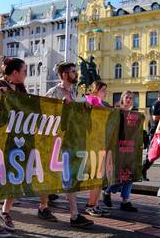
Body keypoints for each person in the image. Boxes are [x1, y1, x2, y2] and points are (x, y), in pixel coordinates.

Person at [0, 57, 39, 237]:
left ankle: (5, 211)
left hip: (19, 140)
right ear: (15, 72)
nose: (26, 74)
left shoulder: (21, 90)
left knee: (16, 178)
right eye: (25, 70)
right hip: (0, 140)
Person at [45, 62, 94, 228]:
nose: (76, 74)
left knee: (68, 176)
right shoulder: (54, 92)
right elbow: (45, 114)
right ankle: (43, 206)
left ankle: (74, 214)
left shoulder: (75, 92)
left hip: (71, 140)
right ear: (65, 75)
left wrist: (85, 106)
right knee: (49, 175)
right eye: (73, 72)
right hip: (56, 141)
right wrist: (61, 107)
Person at [102, 91, 138, 212]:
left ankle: (125, 201)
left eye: (131, 98)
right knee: (119, 175)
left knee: (129, 175)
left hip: (130, 147)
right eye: (127, 97)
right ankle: (107, 191)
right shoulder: (117, 111)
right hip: (118, 147)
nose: (129, 99)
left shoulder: (134, 113)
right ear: (122, 99)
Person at [84, 81, 111, 217]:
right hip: (93, 143)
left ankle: (96, 204)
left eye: (106, 90)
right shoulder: (90, 101)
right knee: (96, 175)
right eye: (103, 90)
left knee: (100, 176)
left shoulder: (101, 104)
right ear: (95, 90)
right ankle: (90, 204)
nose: (106, 93)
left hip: (101, 142)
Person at [142, 91, 160, 181]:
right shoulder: (157, 104)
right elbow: (155, 117)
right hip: (155, 133)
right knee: (151, 155)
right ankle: (142, 171)